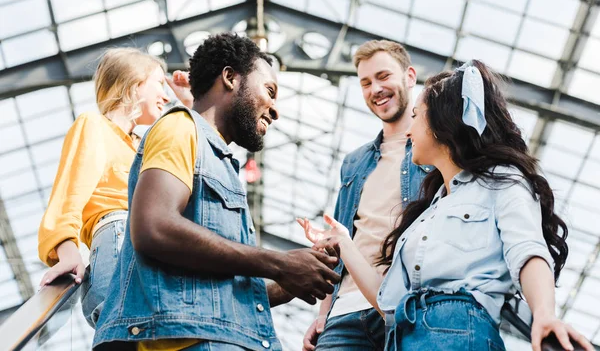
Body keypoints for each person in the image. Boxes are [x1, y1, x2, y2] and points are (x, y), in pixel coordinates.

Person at [299, 60, 594, 351]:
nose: (409, 130)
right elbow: (387, 301)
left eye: (416, 116)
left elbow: (527, 251)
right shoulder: (425, 215)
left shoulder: (501, 181)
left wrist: (543, 314)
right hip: (403, 337)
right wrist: (344, 244)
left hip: (460, 334)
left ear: (441, 124)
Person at [92, 33, 341, 351]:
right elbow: (152, 227)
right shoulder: (180, 128)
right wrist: (279, 263)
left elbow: (229, 290)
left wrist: (299, 273)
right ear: (230, 77)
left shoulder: (221, 163)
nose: (275, 110)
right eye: (269, 91)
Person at [37, 47, 192, 328]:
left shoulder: (143, 147)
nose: (167, 95)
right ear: (134, 83)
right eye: (159, 82)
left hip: (153, 247)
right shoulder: (94, 126)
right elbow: (68, 194)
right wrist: (67, 250)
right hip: (120, 241)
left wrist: (191, 105)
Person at [299, 40, 431, 351]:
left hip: (409, 308)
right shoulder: (355, 162)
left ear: (410, 77)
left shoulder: (438, 150)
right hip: (345, 316)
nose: (375, 89)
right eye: (366, 83)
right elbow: (337, 239)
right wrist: (323, 313)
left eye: (384, 76)